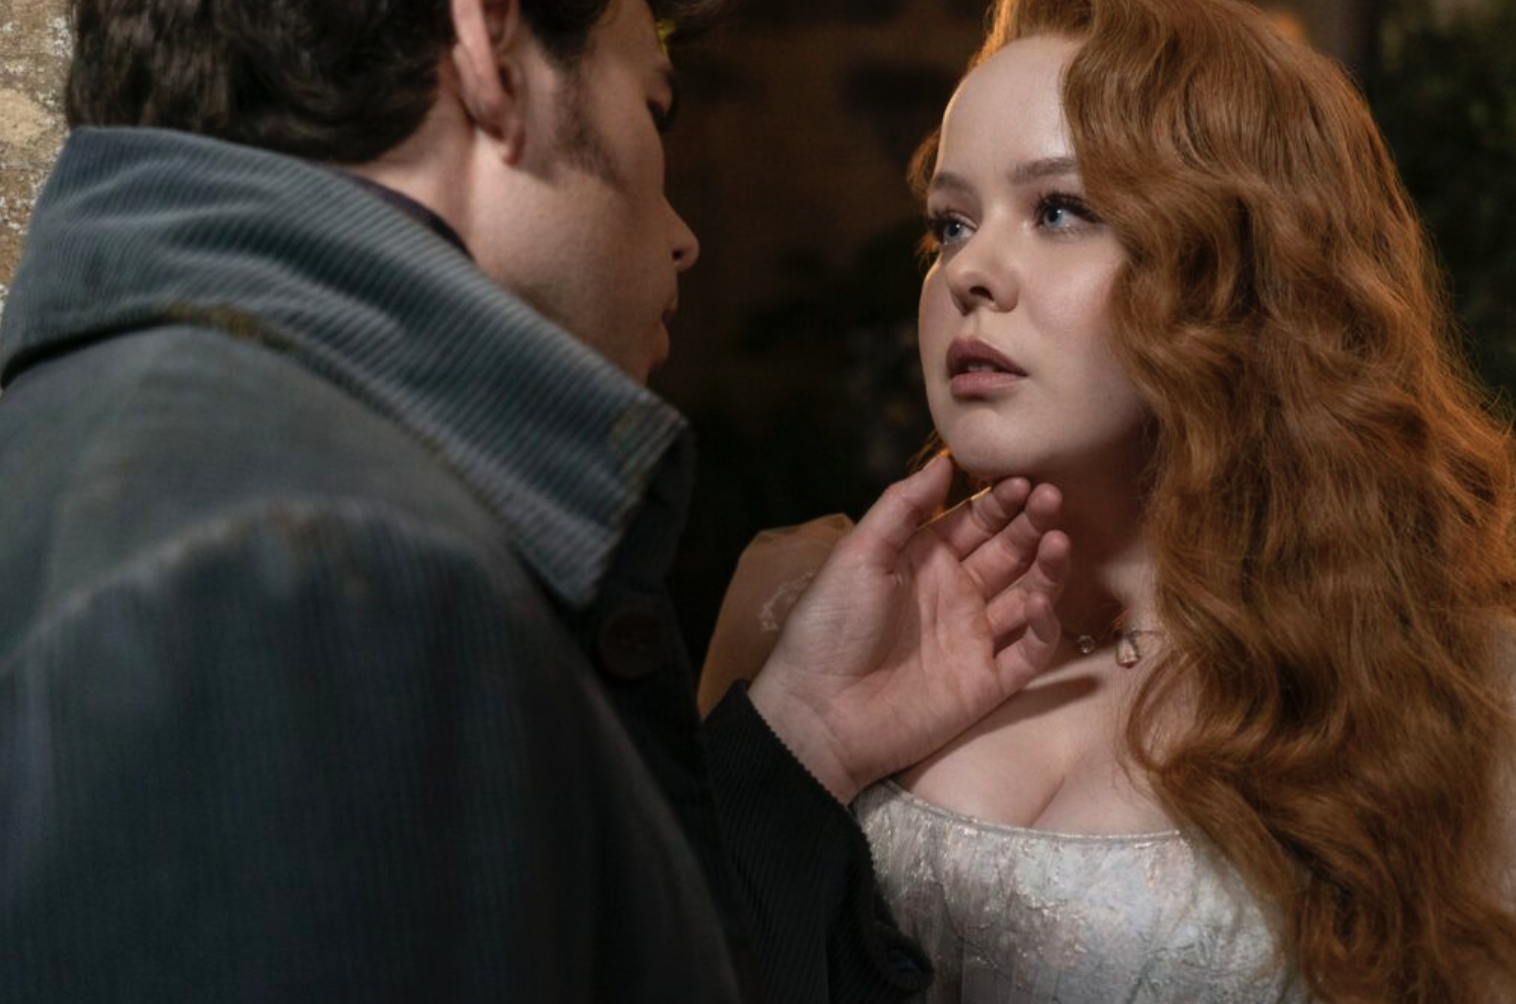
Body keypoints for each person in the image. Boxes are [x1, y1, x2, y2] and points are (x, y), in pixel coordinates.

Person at [0, 0, 1076, 999]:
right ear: (490, 51)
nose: (683, 232)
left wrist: (802, 739)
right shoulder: (301, 574)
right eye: (653, 105)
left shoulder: (139, 444)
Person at [701, 0, 1516, 1001]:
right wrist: (801, 741)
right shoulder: (800, 612)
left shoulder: (1449, 679)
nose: (969, 272)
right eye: (950, 223)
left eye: (1058, 211)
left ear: (1239, 269)